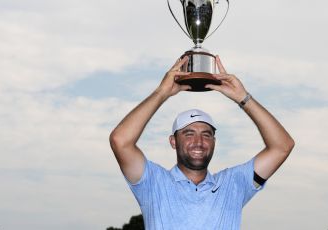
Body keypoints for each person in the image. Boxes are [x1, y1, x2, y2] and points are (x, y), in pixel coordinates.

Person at [109, 56, 295, 230]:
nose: (199, 142)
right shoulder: (153, 182)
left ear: (214, 142)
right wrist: (161, 93)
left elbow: (282, 146)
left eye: (206, 135)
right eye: (189, 134)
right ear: (173, 141)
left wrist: (243, 97)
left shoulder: (233, 184)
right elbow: (120, 141)